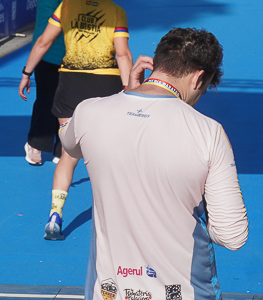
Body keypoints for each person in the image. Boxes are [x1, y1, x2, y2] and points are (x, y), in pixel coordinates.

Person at [60, 28, 248, 300]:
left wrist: (128, 94)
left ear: (157, 64)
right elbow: (232, 235)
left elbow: (69, 143)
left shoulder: (89, 111)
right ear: (198, 78)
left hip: (108, 291)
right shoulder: (209, 132)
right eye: (205, 89)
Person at [17, 0, 132, 240]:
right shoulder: (116, 11)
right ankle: (116, 217)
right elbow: (122, 54)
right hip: (105, 86)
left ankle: (55, 215)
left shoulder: (67, 6)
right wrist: (129, 89)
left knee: (68, 155)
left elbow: (43, 41)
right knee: (109, 155)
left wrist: (27, 72)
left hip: (70, 85)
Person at [23, 0, 83, 165]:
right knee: (46, 102)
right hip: (49, 58)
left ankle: (62, 146)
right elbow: (47, 32)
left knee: (69, 103)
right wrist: (27, 71)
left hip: (72, 57)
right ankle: (35, 143)